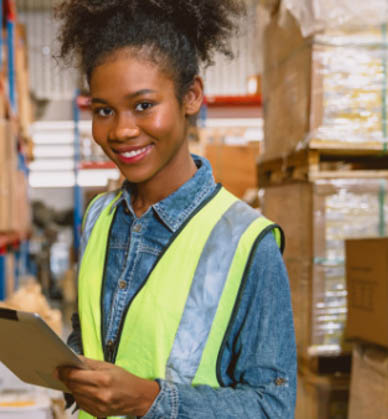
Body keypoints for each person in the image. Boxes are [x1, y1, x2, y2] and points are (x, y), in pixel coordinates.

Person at [53, 1, 297, 418]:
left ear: (191, 96)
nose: (122, 130)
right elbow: (91, 333)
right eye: (104, 110)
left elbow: (273, 407)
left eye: (144, 105)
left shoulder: (246, 242)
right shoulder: (99, 218)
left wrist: (151, 401)